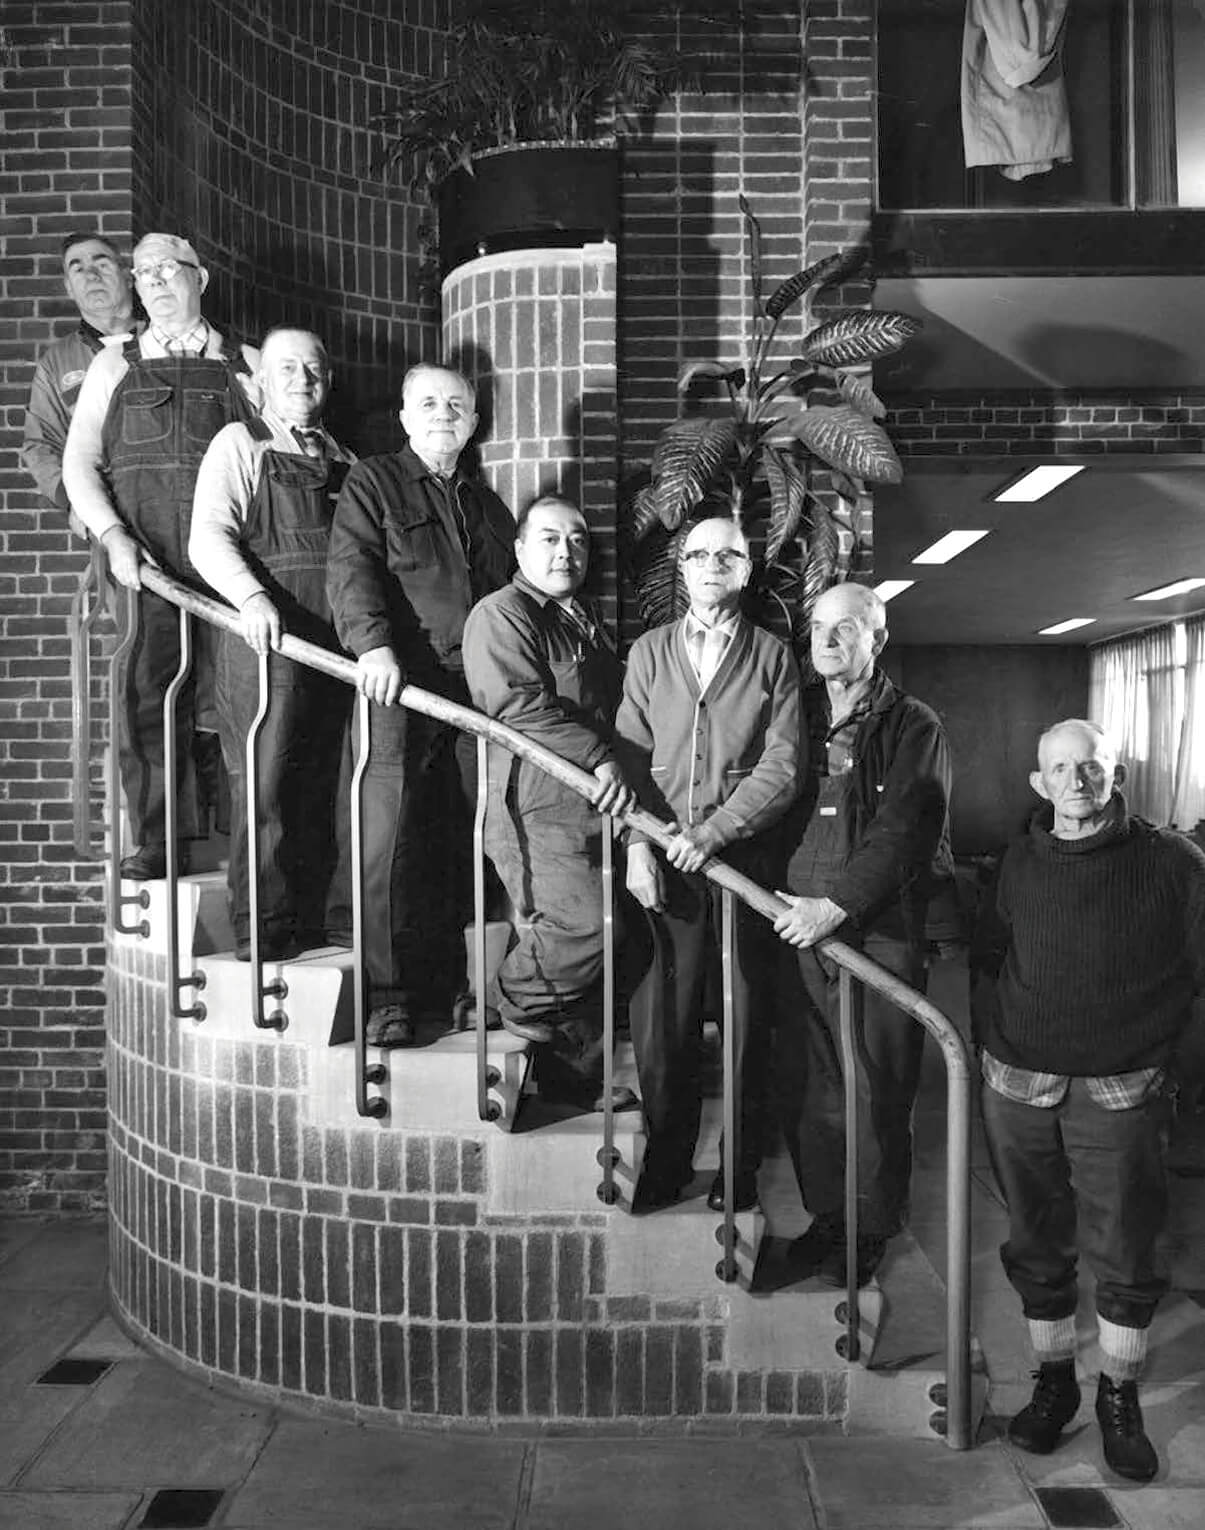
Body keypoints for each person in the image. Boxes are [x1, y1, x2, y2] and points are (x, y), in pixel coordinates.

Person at [972, 719, 1205, 1484]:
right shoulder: (1019, 861)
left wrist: (1176, 1070)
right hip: (1019, 1082)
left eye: (1091, 767)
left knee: (1126, 1249)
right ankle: (1052, 1387)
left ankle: (1117, 1396)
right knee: (1035, 1244)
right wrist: (991, 1041)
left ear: (1116, 777)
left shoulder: (1173, 863)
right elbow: (990, 954)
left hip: (1123, 1086)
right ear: (1039, 784)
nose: (1076, 781)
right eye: (1060, 769)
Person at [615, 516, 801, 1215]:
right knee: (664, 1024)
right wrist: (637, 844)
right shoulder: (649, 652)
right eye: (699, 554)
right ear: (682, 567)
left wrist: (717, 831)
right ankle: (664, 1166)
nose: (712, 564)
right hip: (661, 860)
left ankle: (738, 1173)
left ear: (747, 570)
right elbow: (627, 753)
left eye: (729, 554)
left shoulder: (773, 655)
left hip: (743, 862)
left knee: (747, 1021)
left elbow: (784, 764)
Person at [325, 363, 515, 1047]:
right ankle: (386, 997)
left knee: (474, 831)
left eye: (457, 404)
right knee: (388, 836)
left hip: (476, 694)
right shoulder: (373, 481)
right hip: (398, 684)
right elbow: (351, 567)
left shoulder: (487, 505)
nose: (443, 413)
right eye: (428, 403)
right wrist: (371, 646)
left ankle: (468, 989)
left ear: (472, 421)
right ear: (405, 417)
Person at [62, 232, 260, 880]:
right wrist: (115, 538)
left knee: (243, 700)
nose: (152, 281)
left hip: (231, 564)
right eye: (141, 272)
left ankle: (254, 854)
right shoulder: (114, 365)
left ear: (199, 276)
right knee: (147, 695)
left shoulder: (247, 364)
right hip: (145, 566)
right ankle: (159, 841)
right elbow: (78, 464)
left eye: (167, 269)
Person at [773, 581, 953, 1287]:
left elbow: (906, 828)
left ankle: (871, 1227)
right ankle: (827, 1219)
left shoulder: (913, 724)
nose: (827, 640)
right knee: (812, 1081)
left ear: (876, 641)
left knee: (876, 1082)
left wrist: (836, 905)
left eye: (846, 629)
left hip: (872, 930)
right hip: (789, 923)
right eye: (819, 627)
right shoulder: (796, 713)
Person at [462, 494, 639, 1112]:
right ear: (519, 549)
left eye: (578, 540)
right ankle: (509, 997)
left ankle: (575, 1083)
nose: (566, 551)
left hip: (591, 800)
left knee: (606, 935)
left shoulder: (582, 620)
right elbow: (516, 706)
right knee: (584, 926)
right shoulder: (502, 613)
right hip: (533, 803)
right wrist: (601, 755)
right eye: (549, 538)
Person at [189, 328, 354, 961]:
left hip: (335, 646)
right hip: (268, 642)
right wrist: (252, 599)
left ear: (327, 379)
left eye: (313, 368)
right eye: (287, 367)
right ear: (261, 382)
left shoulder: (350, 462)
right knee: (266, 782)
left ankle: (322, 918)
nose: (302, 379)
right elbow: (208, 539)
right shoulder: (242, 444)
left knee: (329, 779)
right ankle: (265, 928)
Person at [21, 232, 142, 540]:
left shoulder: (165, 341)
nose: (90, 274)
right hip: (106, 519)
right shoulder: (56, 363)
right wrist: (75, 501)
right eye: (77, 269)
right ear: (69, 288)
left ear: (128, 277)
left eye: (102, 264)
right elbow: (41, 444)